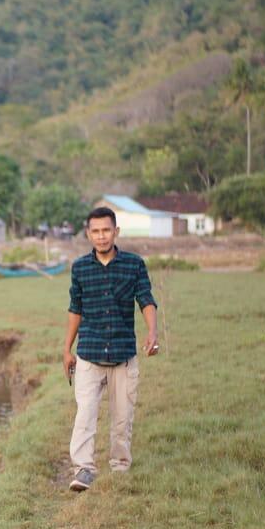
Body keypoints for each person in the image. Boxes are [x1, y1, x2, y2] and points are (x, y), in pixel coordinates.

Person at [62, 206, 158, 492]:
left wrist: (152, 331)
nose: (102, 236)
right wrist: (67, 348)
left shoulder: (134, 264)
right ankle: (84, 469)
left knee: (122, 418)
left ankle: (119, 469)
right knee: (85, 414)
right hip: (89, 352)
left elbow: (146, 299)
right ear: (88, 234)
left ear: (116, 232)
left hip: (123, 354)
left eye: (107, 230)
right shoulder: (80, 267)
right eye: (96, 231)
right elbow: (75, 309)